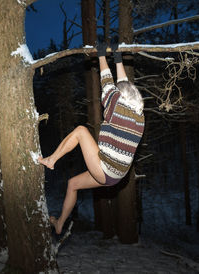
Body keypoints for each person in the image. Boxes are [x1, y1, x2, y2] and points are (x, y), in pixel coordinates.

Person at [38, 42, 145, 234]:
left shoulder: (115, 106)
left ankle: (51, 160)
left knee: (80, 131)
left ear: (119, 97)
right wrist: (118, 59)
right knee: (73, 184)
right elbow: (125, 85)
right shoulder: (139, 116)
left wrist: (101, 56)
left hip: (106, 169)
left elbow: (107, 82)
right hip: (118, 176)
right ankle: (60, 223)